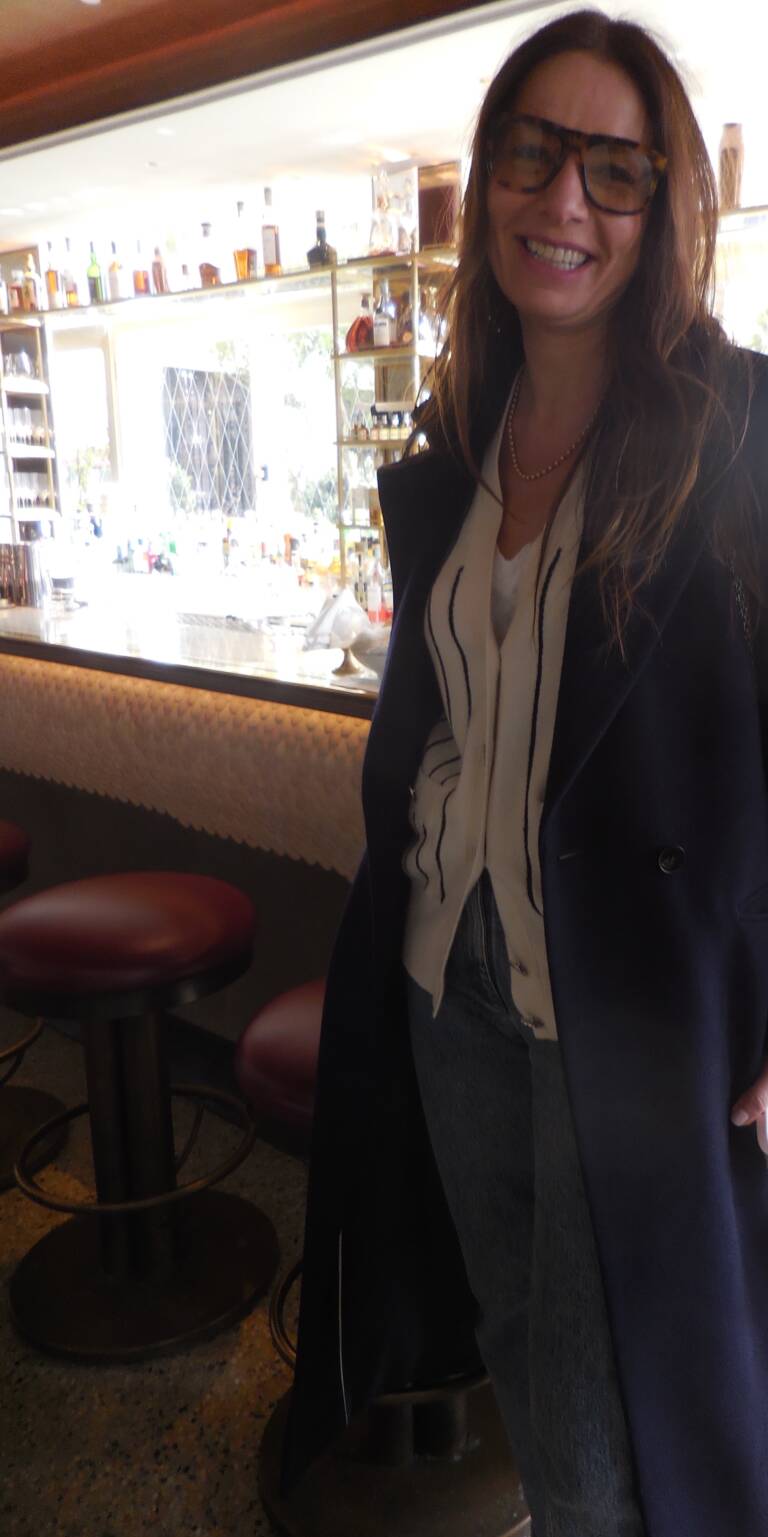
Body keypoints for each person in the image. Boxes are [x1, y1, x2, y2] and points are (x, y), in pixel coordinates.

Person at [282, 11, 768, 1537]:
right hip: (450, 976)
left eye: (614, 169)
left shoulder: (739, 429)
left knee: (604, 1434)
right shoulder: (457, 446)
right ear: (487, 176)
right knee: (511, 1340)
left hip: (626, 1003)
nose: (565, 201)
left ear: (664, 206)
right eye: (533, 155)